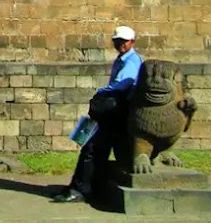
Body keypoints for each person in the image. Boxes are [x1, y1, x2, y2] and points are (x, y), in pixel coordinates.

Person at [53, 25, 143, 204]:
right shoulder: (123, 59)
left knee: (92, 147)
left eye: (124, 41)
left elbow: (122, 85)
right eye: (117, 41)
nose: (120, 44)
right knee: (95, 148)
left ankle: (80, 189)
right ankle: (82, 186)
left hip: (115, 109)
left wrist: (101, 92)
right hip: (112, 108)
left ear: (132, 42)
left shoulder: (131, 61)